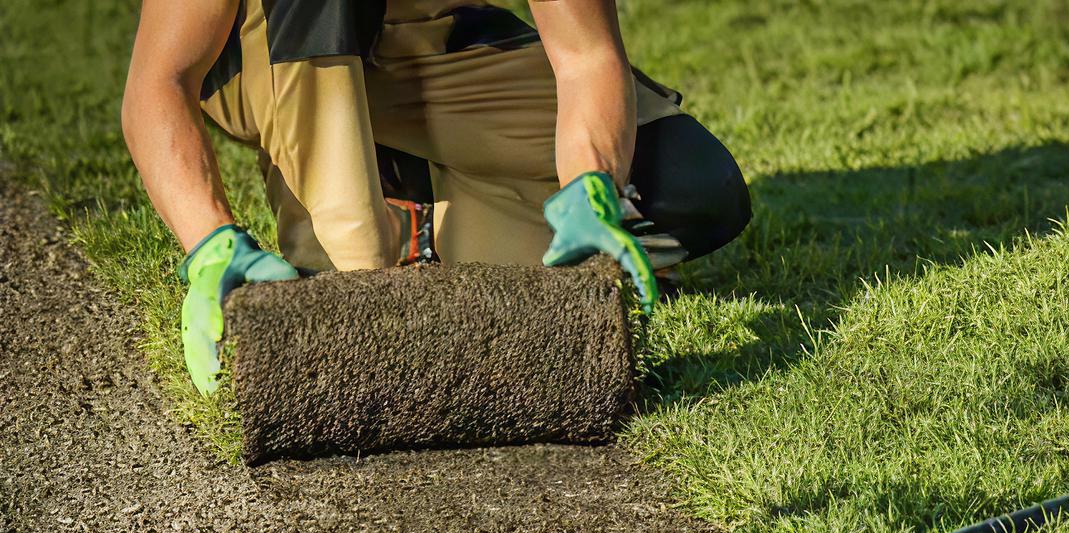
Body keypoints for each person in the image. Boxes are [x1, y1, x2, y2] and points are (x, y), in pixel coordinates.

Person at [121, 0, 751, 395]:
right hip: (271, 47)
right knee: (356, 314)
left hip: (428, 43)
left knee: (692, 191)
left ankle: (418, 209)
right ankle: (345, 264)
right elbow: (159, 81)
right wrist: (208, 242)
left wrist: (591, 186)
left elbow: (587, 57)